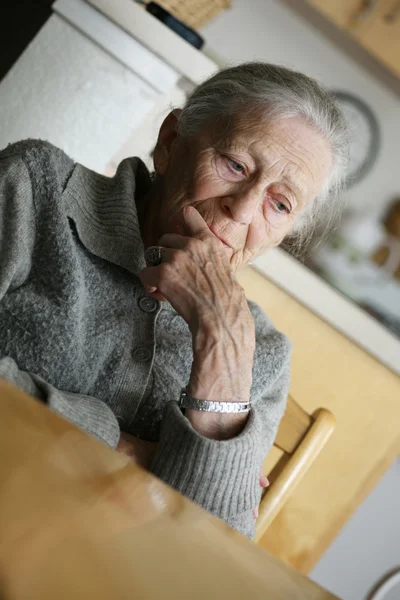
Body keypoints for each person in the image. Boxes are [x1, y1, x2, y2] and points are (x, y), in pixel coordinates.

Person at [0, 62, 348, 538]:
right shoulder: (36, 190)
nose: (243, 209)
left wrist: (218, 342)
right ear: (169, 141)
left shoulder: (258, 352)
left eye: (280, 204)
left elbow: (207, 551)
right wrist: (117, 447)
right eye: (235, 165)